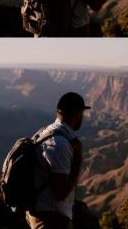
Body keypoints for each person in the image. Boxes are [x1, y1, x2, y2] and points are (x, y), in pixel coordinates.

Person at [26, 92, 91, 229]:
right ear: (77, 114)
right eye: (81, 114)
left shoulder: (46, 131)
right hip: (50, 218)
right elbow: (60, 194)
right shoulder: (60, 144)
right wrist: (78, 157)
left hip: (42, 213)